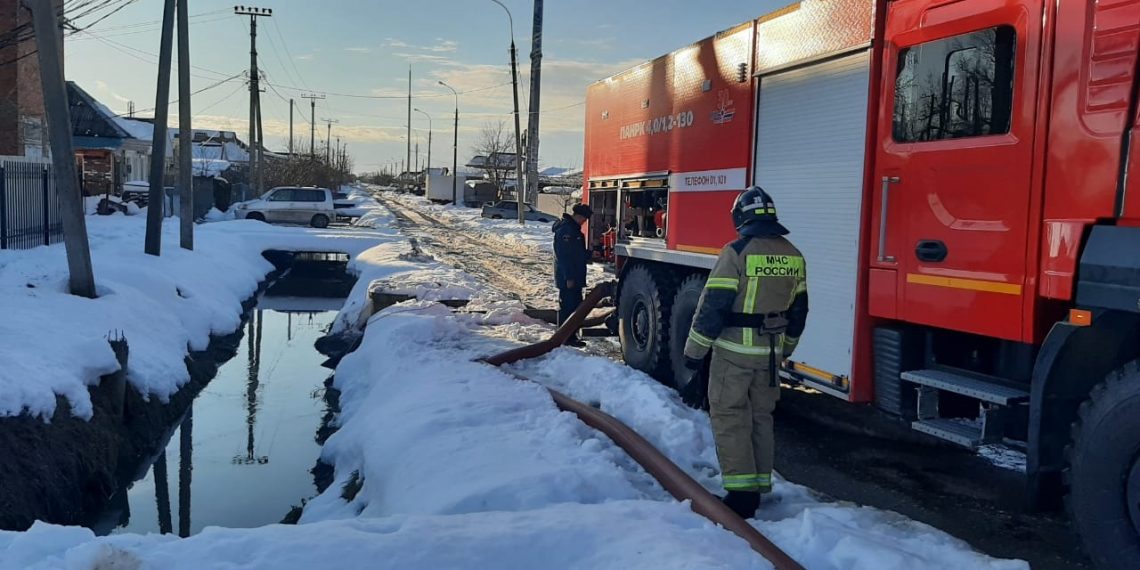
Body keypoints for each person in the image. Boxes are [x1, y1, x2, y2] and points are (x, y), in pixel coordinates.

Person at [682, 186, 809, 519]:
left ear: (741, 217)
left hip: (733, 355)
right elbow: (800, 311)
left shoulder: (735, 252)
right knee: (760, 418)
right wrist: (786, 349)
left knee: (730, 418)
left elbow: (712, 308)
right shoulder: (793, 254)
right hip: (769, 357)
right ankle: (758, 484)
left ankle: (741, 496)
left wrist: (694, 353)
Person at [552, 203, 593, 346]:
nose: (584, 222)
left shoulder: (574, 231)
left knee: (575, 306)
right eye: (584, 219)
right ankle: (564, 337)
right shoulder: (566, 231)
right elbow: (563, 256)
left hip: (575, 276)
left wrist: (590, 255)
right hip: (568, 277)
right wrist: (568, 277)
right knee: (568, 307)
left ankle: (571, 336)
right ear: (578, 216)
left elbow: (577, 253)